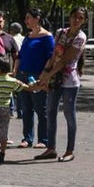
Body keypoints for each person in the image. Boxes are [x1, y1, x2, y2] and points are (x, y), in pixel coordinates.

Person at [35, 6, 87, 162]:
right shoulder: (60, 33)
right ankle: (51, 148)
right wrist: (44, 73)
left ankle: (69, 150)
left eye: (80, 18)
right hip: (54, 80)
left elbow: (65, 60)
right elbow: (53, 56)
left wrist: (48, 75)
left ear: (84, 21)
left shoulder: (81, 37)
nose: (76, 20)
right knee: (50, 112)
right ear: (69, 17)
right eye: (74, 16)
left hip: (69, 81)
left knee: (69, 114)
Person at [14, 8, 55, 148]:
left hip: (38, 76)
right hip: (23, 75)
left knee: (40, 108)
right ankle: (27, 138)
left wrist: (45, 75)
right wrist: (15, 71)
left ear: (37, 18)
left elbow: (51, 58)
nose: (26, 21)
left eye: (28, 18)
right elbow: (20, 55)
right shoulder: (28, 36)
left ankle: (43, 140)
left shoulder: (47, 37)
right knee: (26, 108)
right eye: (25, 18)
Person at [0, 52, 26, 163]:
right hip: (4, 108)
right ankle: (2, 153)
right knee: (3, 131)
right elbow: (25, 87)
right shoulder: (12, 82)